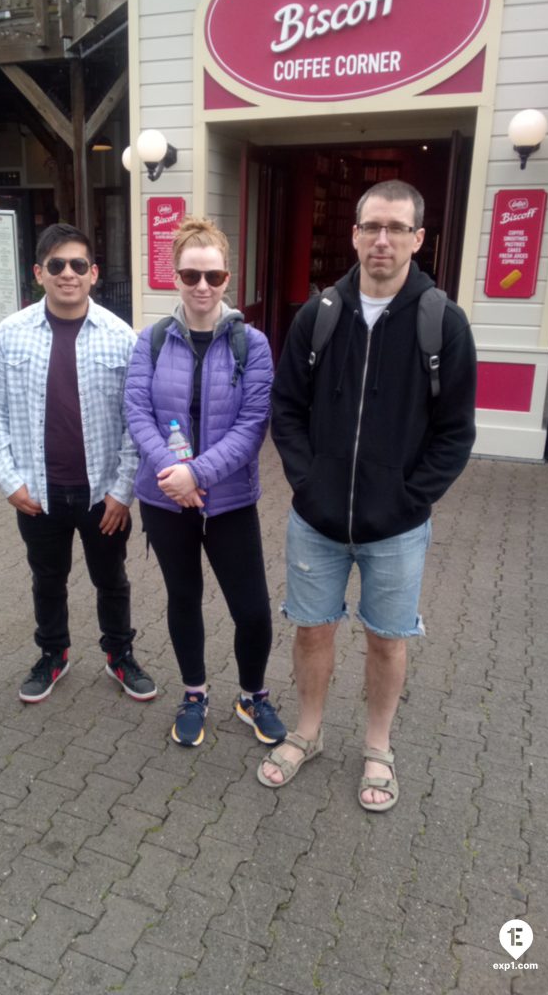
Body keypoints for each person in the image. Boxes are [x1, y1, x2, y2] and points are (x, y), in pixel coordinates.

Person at [261, 180, 476, 808]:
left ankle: (377, 746)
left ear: (418, 238)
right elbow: (287, 409)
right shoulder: (319, 315)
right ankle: (308, 732)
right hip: (316, 521)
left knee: (387, 638)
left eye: (397, 228)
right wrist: (308, 481)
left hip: (397, 527)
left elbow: (457, 430)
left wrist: (412, 499)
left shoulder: (443, 321)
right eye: (371, 227)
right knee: (312, 632)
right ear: (354, 234)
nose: (383, 240)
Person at [124, 216, 284, 748]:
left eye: (212, 277)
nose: (201, 287)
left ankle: (253, 695)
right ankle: (194, 692)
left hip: (230, 499)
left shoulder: (252, 345)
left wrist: (198, 472)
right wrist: (176, 477)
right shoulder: (150, 341)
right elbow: (137, 411)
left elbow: (252, 425)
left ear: (227, 278)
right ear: (174, 276)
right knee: (184, 598)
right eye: (191, 275)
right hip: (166, 501)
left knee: (252, 609)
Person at [0, 223, 156, 704]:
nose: (67, 274)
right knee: (47, 579)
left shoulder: (122, 338)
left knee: (112, 580)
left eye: (78, 264)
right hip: (37, 492)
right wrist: (8, 480)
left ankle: (119, 654)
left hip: (103, 494)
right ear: (38, 273)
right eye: (56, 264)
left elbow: (135, 421)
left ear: (94, 273)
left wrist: (123, 490)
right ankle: (52, 653)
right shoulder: (9, 336)